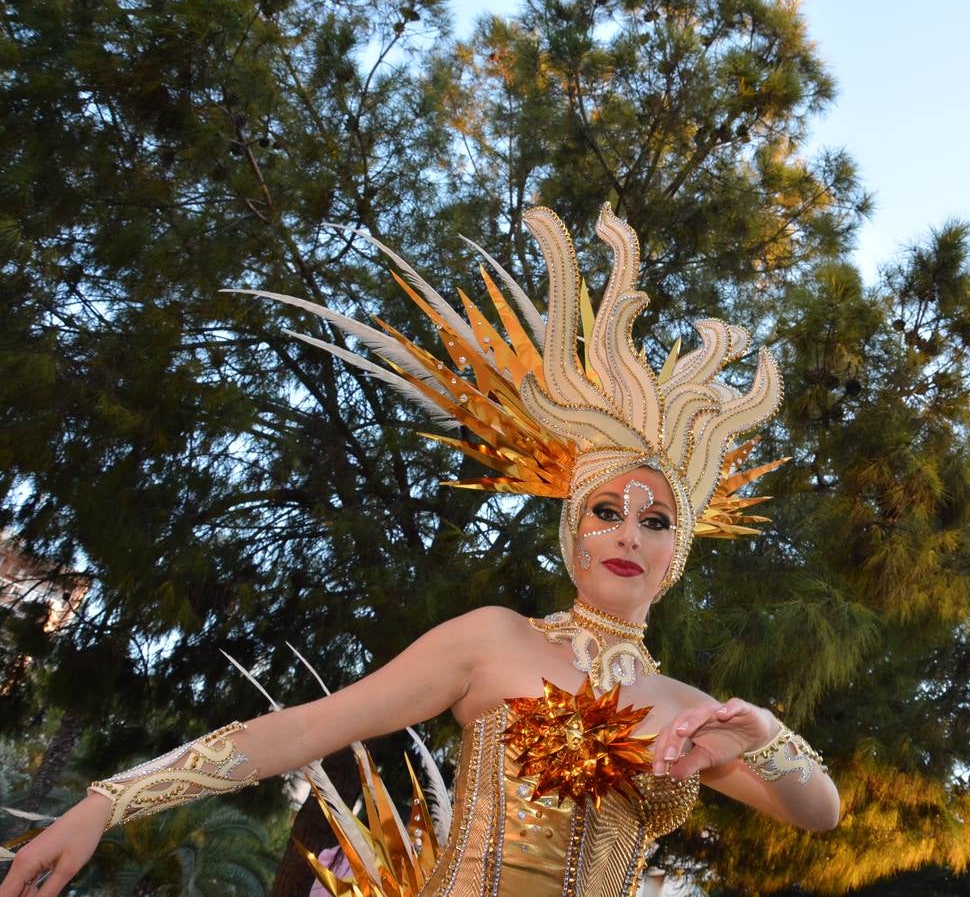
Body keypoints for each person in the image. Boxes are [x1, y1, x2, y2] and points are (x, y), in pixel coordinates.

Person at [0, 205, 840, 896]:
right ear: (573, 534)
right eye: (607, 510)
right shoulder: (496, 640)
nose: (628, 532)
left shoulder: (687, 710)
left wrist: (763, 735)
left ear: (676, 554)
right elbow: (299, 731)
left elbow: (819, 812)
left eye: (656, 522)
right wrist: (107, 802)